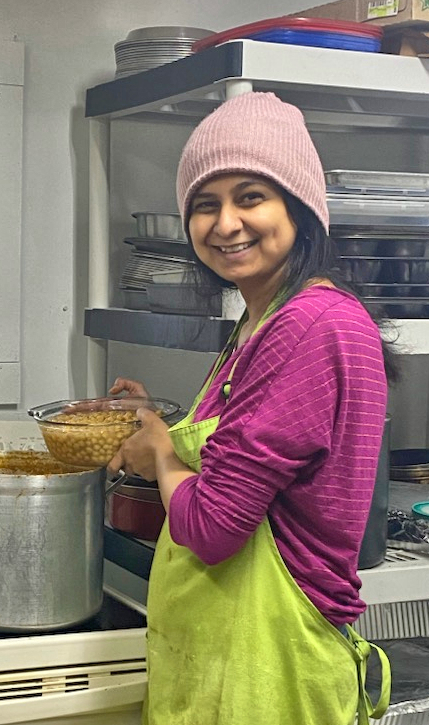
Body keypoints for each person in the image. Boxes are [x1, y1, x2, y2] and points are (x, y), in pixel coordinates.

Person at [108, 92, 394, 725]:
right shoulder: (260, 320)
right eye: (205, 205)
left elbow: (213, 528)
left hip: (270, 667)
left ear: (299, 207)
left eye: (251, 197)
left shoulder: (310, 325)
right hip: (223, 654)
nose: (225, 223)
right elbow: (241, 457)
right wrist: (158, 423)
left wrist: (159, 451)